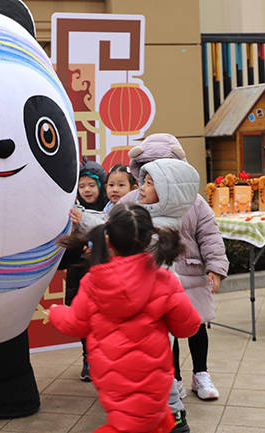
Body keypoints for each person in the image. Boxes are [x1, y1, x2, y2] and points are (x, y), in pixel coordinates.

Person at [46, 204, 201, 433]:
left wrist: (56, 312)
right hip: (154, 375)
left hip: (112, 379)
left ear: (108, 241)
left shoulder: (93, 283)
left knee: (127, 423)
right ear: (150, 238)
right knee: (148, 420)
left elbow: (75, 324)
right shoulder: (164, 280)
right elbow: (189, 326)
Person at [125, 133, 229, 403]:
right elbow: (113, 230)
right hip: (153, 279)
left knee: (195, 325)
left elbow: (210, 234)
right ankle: (174, 377)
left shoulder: (194, 202)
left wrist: (215, 267)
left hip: (192, 275)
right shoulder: (135, 201)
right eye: (149, 171)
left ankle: (201, 373)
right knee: (163, 331)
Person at [60, 158, 108, 382]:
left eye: (91, 185)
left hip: (105, 277)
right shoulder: (72, 211)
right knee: (84, 319)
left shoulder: (111, 210)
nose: (87, 190)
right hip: (80, 275)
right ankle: (88, 357)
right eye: (82, 185)